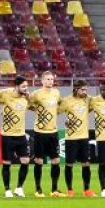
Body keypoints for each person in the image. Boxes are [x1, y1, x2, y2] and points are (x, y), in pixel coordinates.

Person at [29, 70, 63, 198]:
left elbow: (61, 103)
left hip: (53, 132)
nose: (50, 81)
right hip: (40, 132)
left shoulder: (56, 93)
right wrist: (36, 109)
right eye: (47, 79)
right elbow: (27, 104)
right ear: (42, 81)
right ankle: (38, 189)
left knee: (55, 160)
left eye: (51, 79)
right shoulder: (36, 94)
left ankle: (54, 189)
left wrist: (56, 112)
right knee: (39, 161)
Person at [0, 76, 31, 197]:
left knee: (25, 161)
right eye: (23, 86)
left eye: (27, 86)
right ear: (16, 86)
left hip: (21, 135)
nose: (26, 88)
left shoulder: (25, 98)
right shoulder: (6, 96)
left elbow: (32, 106)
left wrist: (29, 97)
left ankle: (19, 188)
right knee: (7, 163)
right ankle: (7, 190)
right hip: (7, 135)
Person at [59, 80, 94, 197]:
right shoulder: (67, 101)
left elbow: (99, 102)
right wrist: (65, 121)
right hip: (71, 138)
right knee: (69, 164)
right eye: (83, 90)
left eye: (86, 90)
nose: (85, 92)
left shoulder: (88, 99)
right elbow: (56, 111)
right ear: (76, 89)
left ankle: (87, 190)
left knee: (86, 164)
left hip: (84, 137)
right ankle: (70, 190)